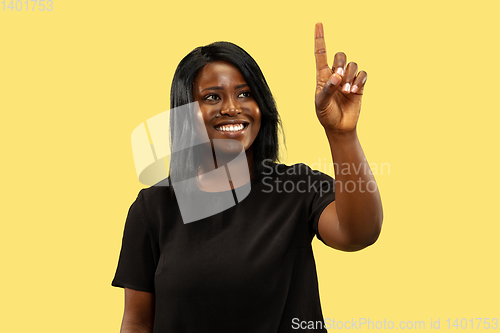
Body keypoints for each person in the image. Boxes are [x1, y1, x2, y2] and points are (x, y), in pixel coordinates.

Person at [111, 22, 383, 332]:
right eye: (212, 97)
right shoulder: (154, 208)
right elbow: (137, 321)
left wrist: (341, 134)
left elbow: (359, 234)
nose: (231, 108)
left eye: (245, 94)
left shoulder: (296, 188)